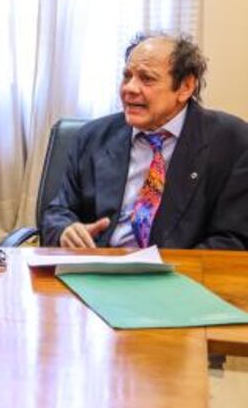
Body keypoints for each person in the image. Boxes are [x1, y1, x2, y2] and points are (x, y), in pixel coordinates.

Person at [42, 33, 248, 251]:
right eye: (127, 76)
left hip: (180, 269)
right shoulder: (92, 138)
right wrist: (65, 229)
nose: (129, 88)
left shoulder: (232, 142)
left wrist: (171, 267)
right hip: (100, 263)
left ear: (185, 87)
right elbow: (57, 211)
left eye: (147, 78)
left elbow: (233, 238)